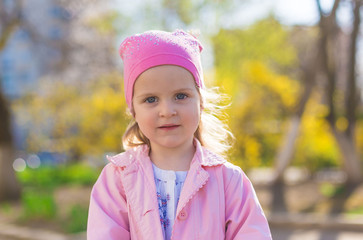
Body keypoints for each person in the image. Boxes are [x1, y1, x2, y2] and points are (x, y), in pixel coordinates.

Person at [87, 29, 272, 240]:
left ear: (200, 102)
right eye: (150, 99)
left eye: (180, 96)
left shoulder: (229, 180)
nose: (167, 111)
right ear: (133, 110)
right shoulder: (117, 179)